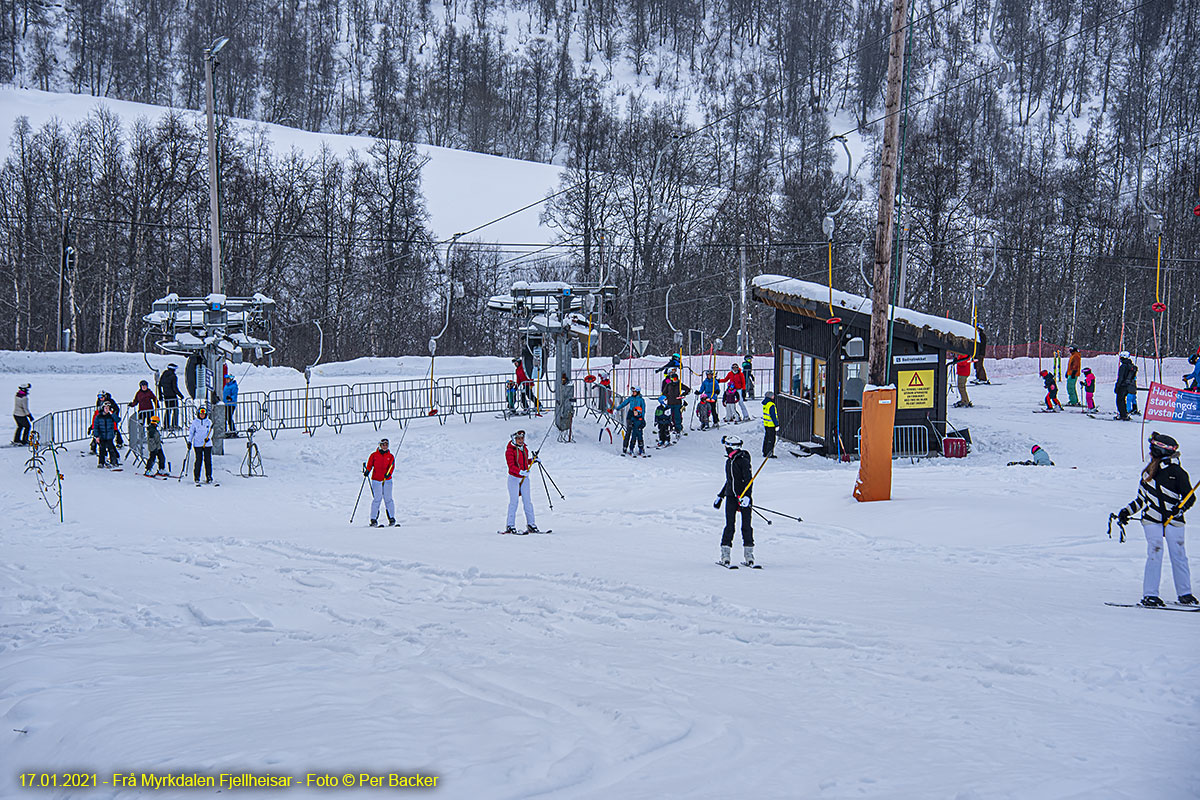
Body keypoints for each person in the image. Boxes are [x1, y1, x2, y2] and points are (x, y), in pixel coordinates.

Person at [1115, 432, 1196, 607]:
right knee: (1155, 552)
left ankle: (1185, 594)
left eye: (1152, 449)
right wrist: (1126, 512)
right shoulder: (1148, 473)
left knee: (1179, 555)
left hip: (1174, 520)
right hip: (1152, 520)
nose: (1150, 453)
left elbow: (1190, 497)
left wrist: (1180, 508)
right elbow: (1141, 500)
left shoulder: (1178, 472)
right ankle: (1150, 595)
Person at [714, 434, 754, 567]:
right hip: (731, 497)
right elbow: (730, 481)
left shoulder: (743, 460)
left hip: (743, 498)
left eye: (726, 446)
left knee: (746, 526)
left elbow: (749, 480)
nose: (725, 448)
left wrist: (747, 496)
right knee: (729, 525)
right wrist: (720, 496)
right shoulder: (729, 461)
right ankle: (725, 555)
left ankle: (749, 556)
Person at [504, 430, 540, 533]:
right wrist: (520, 472)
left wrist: (532, 460)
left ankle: (531, 524)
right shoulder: (510, 451)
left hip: (524, 479)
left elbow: (524, 462)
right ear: (514, 439)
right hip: (514, 478)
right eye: (518, 439)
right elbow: (511, 466)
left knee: (527, 502)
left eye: (522, 438)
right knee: (514, 502)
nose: (521, 440)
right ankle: (510, 525)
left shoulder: (524, 449)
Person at [364, 438, 396, 527]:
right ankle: (373, 519)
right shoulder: (374, 455)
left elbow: (392, 466)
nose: (385, 446)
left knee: (388, 499)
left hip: (387, 480)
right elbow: (370, 465)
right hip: (376, 480)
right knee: (377, 498)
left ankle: (391, 518)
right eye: (383, 445)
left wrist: (388, 474)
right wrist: (367, 471)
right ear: (380, 445)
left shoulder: (391, 456)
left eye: (386, 444)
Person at [614, 387, 647, 456]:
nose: (633, 393)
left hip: (638, 415)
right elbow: (624, 403)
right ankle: (625, 447)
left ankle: (641, 447)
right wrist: (617, 409)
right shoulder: (630, 398)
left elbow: (643, 409)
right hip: (631, 415)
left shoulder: (641, 400)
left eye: (634, 392)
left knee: (638, 432)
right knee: (629, 431)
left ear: (638, 392)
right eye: (632, 392)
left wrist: (642, 418)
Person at [186, 406, 215, 484]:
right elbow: (191, 432)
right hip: (198, 444)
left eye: (203, 414)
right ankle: (197, 477)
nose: (202, 415)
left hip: (207, 444)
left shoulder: (208, 422)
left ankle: (209, 476)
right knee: (198, 460)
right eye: (201, 414)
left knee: (208, 460)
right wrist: (189, 441)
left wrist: (208, 438)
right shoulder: (195, 422)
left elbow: (211, 431)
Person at [661, 369, 690, 436]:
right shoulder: (668, 385)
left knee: (677, 416)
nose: (674, 380)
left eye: (675, 378)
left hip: (677, 403)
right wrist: (666, 397)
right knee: (669, 416)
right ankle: (670, 427)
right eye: (673, 378)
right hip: (670, 403)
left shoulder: (679, 384)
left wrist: (683, 394)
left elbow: (687, 389)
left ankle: (678, 428)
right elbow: (664, 392)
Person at [93, 402, 120, 468]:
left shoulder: (111, 416)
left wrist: (112, 414)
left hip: (109, 436)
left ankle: (113, 462)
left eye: (108, 408)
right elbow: (96, 427)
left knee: (111, 449)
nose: (107, 409)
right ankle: (101, 462)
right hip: (101, 436)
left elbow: (117, 420)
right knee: (101, 450)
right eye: (106, 408)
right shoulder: (98, 417)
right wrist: (96, 436)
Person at [158, 363, 183, 430]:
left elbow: (159, 385)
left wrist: (160, 395)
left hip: (166, 396)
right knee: (175, 410)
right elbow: (174, 387)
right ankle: (174, 425)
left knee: (168, 410)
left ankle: (166, 425)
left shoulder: (163, 375)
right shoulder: (173, 376)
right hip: (173, 396)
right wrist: (180, 395)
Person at [1115, 351, 1136, 420]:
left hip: (1122, 385)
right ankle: (1124, 413)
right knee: (1123, 400)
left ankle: (1122, 414)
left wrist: (1117, 386)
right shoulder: (1131, 366)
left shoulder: (1123, 366)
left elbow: (1120, 377)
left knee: (1119, 400)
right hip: (1128, 386)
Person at [761, 392, 778, 458]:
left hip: (766, 424)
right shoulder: (771, 405)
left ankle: (765, 451)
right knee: (771, 439)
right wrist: (776, 424)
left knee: (767, 438)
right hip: (771, 425)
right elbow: (773, 416)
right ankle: (769, 453)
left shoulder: (765, 404)